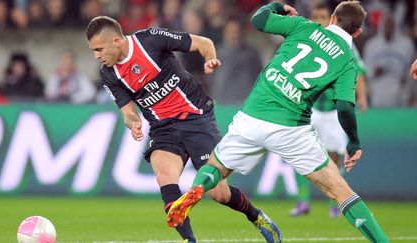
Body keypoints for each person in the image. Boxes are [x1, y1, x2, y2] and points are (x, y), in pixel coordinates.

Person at [167, 2, 390, 242]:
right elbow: (345, 106)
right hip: (291, 126)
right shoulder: (347, 59)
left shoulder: (304, 26)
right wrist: (354, 142)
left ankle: (196, 189)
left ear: (333, 18)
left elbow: (258, 20)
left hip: (253, 115)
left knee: (216, 167)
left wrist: (278, 6)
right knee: (339, 190)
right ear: (357, 33)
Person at [86, 16, 280, 243]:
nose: (96, 56)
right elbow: (127, 110)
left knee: (220, 194)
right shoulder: (108, 73)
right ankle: (189, 240)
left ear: (117, 41)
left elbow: (203, 43)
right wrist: (133, 122)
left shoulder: (150, 40)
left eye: (99, 49)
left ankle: (255, 216)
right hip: (162, 127)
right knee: (165, 177)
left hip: (195, 116)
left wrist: (210, 59)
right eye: (93, 50)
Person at [289, 3, 369, 218]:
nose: (318, 20)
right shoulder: (311, 39)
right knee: (299, 153)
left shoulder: (345, 44)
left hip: (333, 111)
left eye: (322, 16)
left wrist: (361, 96)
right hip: (311, 109)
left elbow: (358, 71)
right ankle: (303, 202)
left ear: (331, 18)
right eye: (314, 16)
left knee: (334, 157)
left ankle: (337, 203)